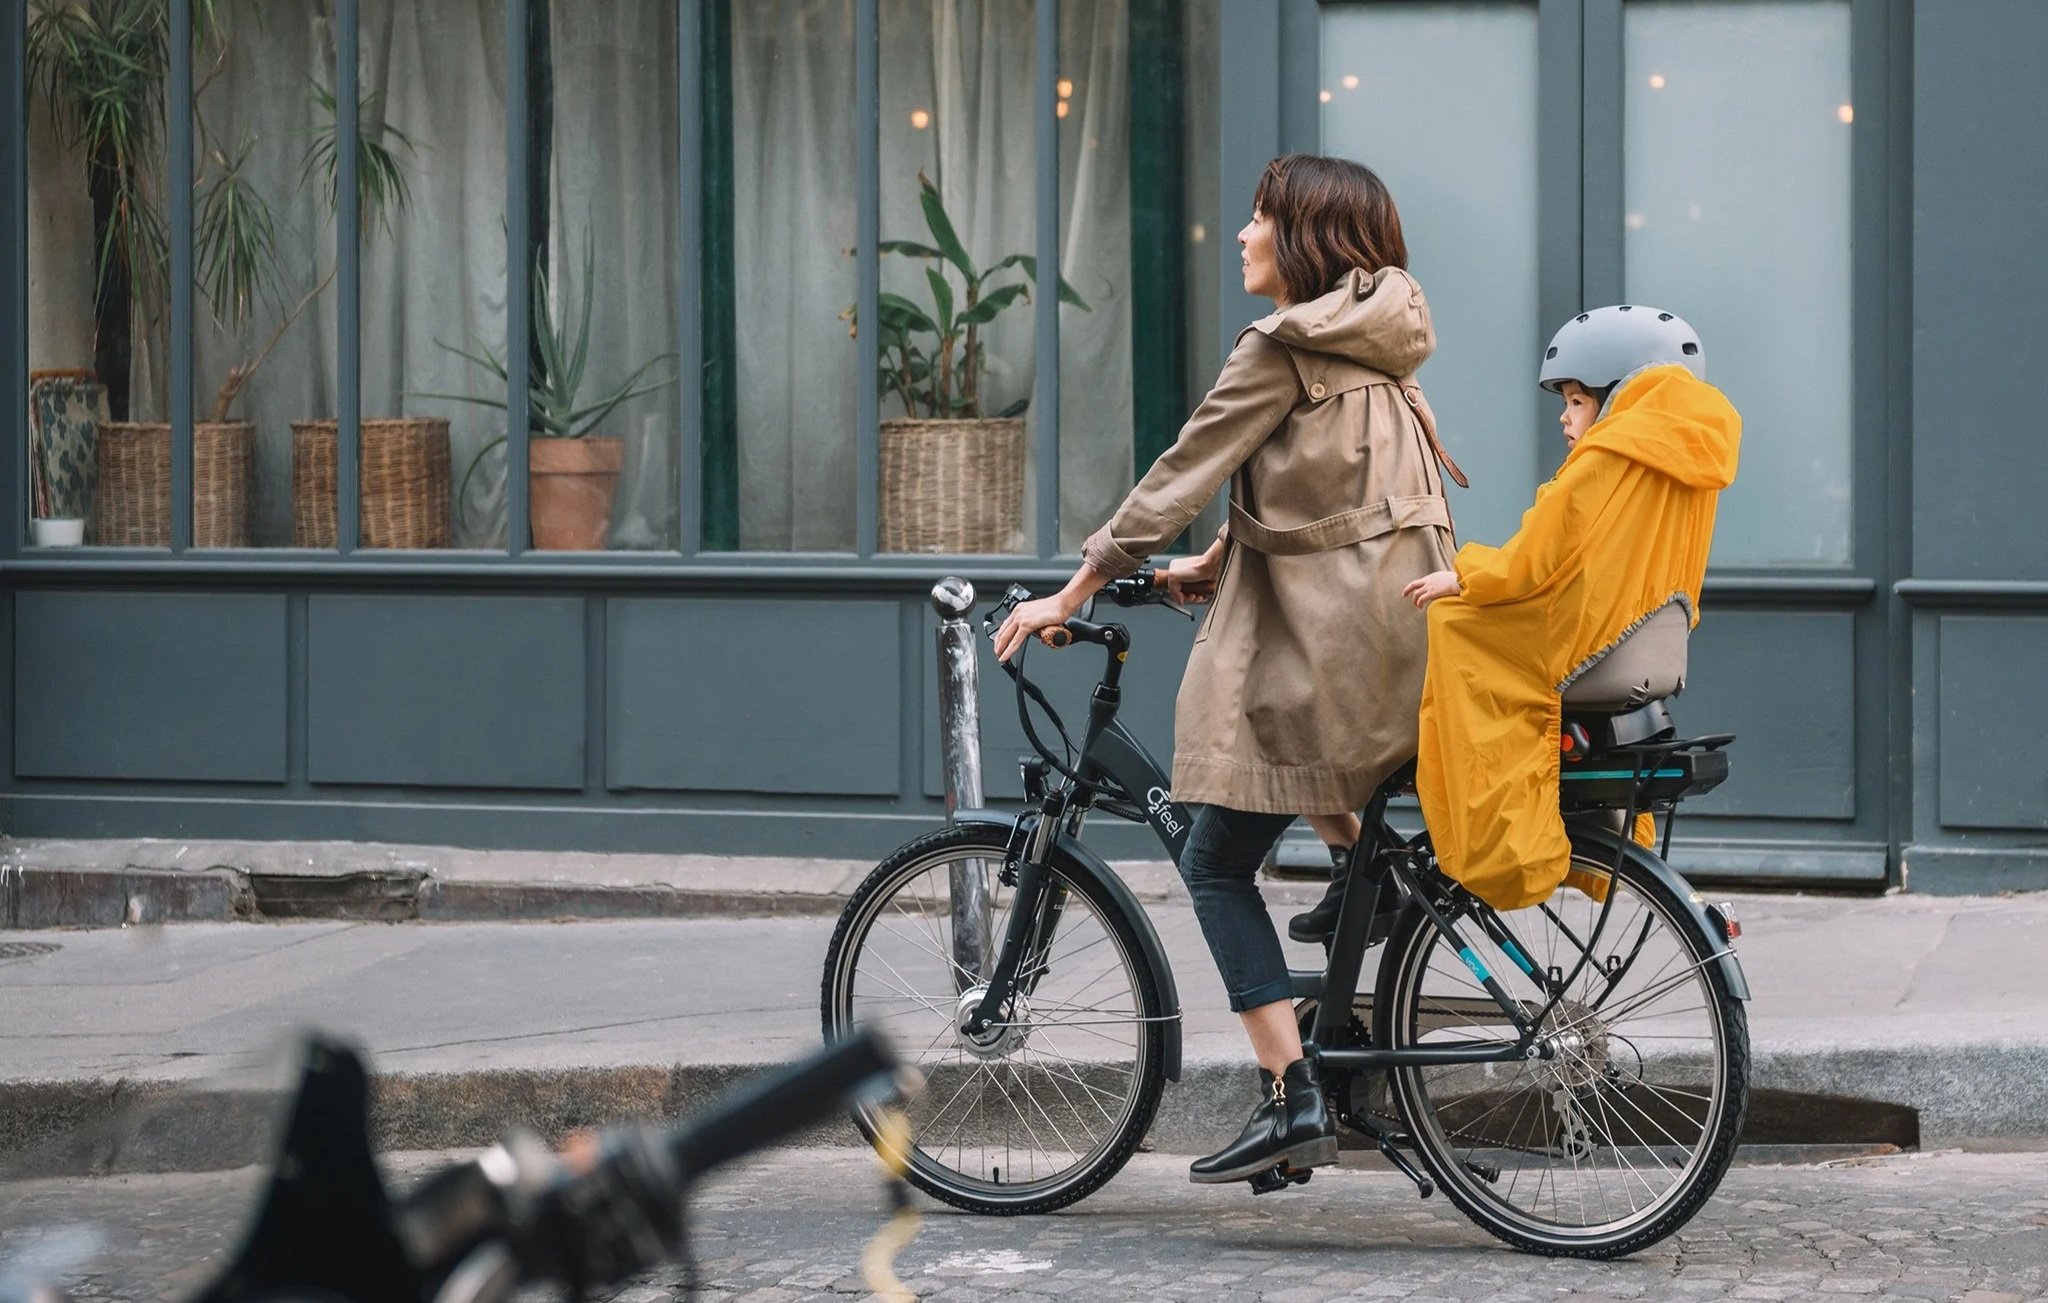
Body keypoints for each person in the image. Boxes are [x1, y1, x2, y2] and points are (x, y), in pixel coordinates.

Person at [993, 153, 1460, 1185]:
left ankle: (1290, 1096)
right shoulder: (1382, 340)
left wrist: (1073, 592)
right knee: (1297, 784)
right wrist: (1209, 564)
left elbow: (1178, 474)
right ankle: (1360, 890)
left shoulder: (1283, 345)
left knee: (1211, 862)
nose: (1243, 236)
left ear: (1302, 240)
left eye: (1257, 219)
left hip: (1330, 650)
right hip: (1397, 639)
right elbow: (1340, 489)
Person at [1403, 306, 1741, 912]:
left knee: (1457, 628)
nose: (1565, 416)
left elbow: (1535, 558)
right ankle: (1587, 847)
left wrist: (1462, 575)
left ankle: (1507, 853)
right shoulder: (1689, 453)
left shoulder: (1609, 454)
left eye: (1578, 400)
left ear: (1618, 396)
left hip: (1583, 644)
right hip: (1645, 647)